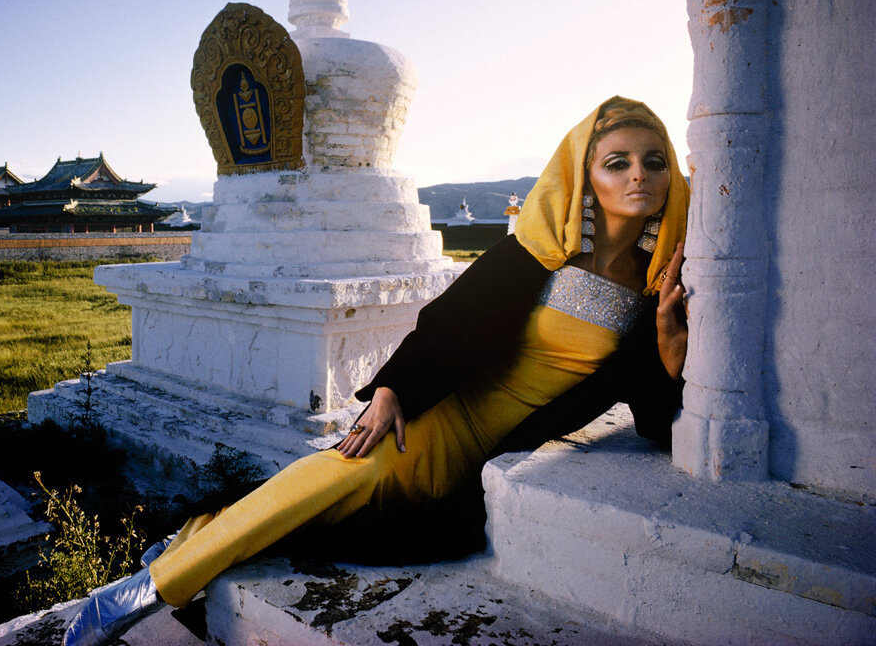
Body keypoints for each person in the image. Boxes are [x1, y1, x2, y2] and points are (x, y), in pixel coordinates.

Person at [63, 96, 691, 646]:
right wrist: (392, 390)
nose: (639, 175)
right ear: (585, 174)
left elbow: (657, 424)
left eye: (653, 161)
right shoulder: (541, 253)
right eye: (618, 162)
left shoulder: (659, 287)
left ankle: (199, 535)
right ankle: (142, 591)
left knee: (363, 526)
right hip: (444, 419)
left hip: (501, 450)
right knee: (342, 473)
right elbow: (451, 320)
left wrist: (667, 343)